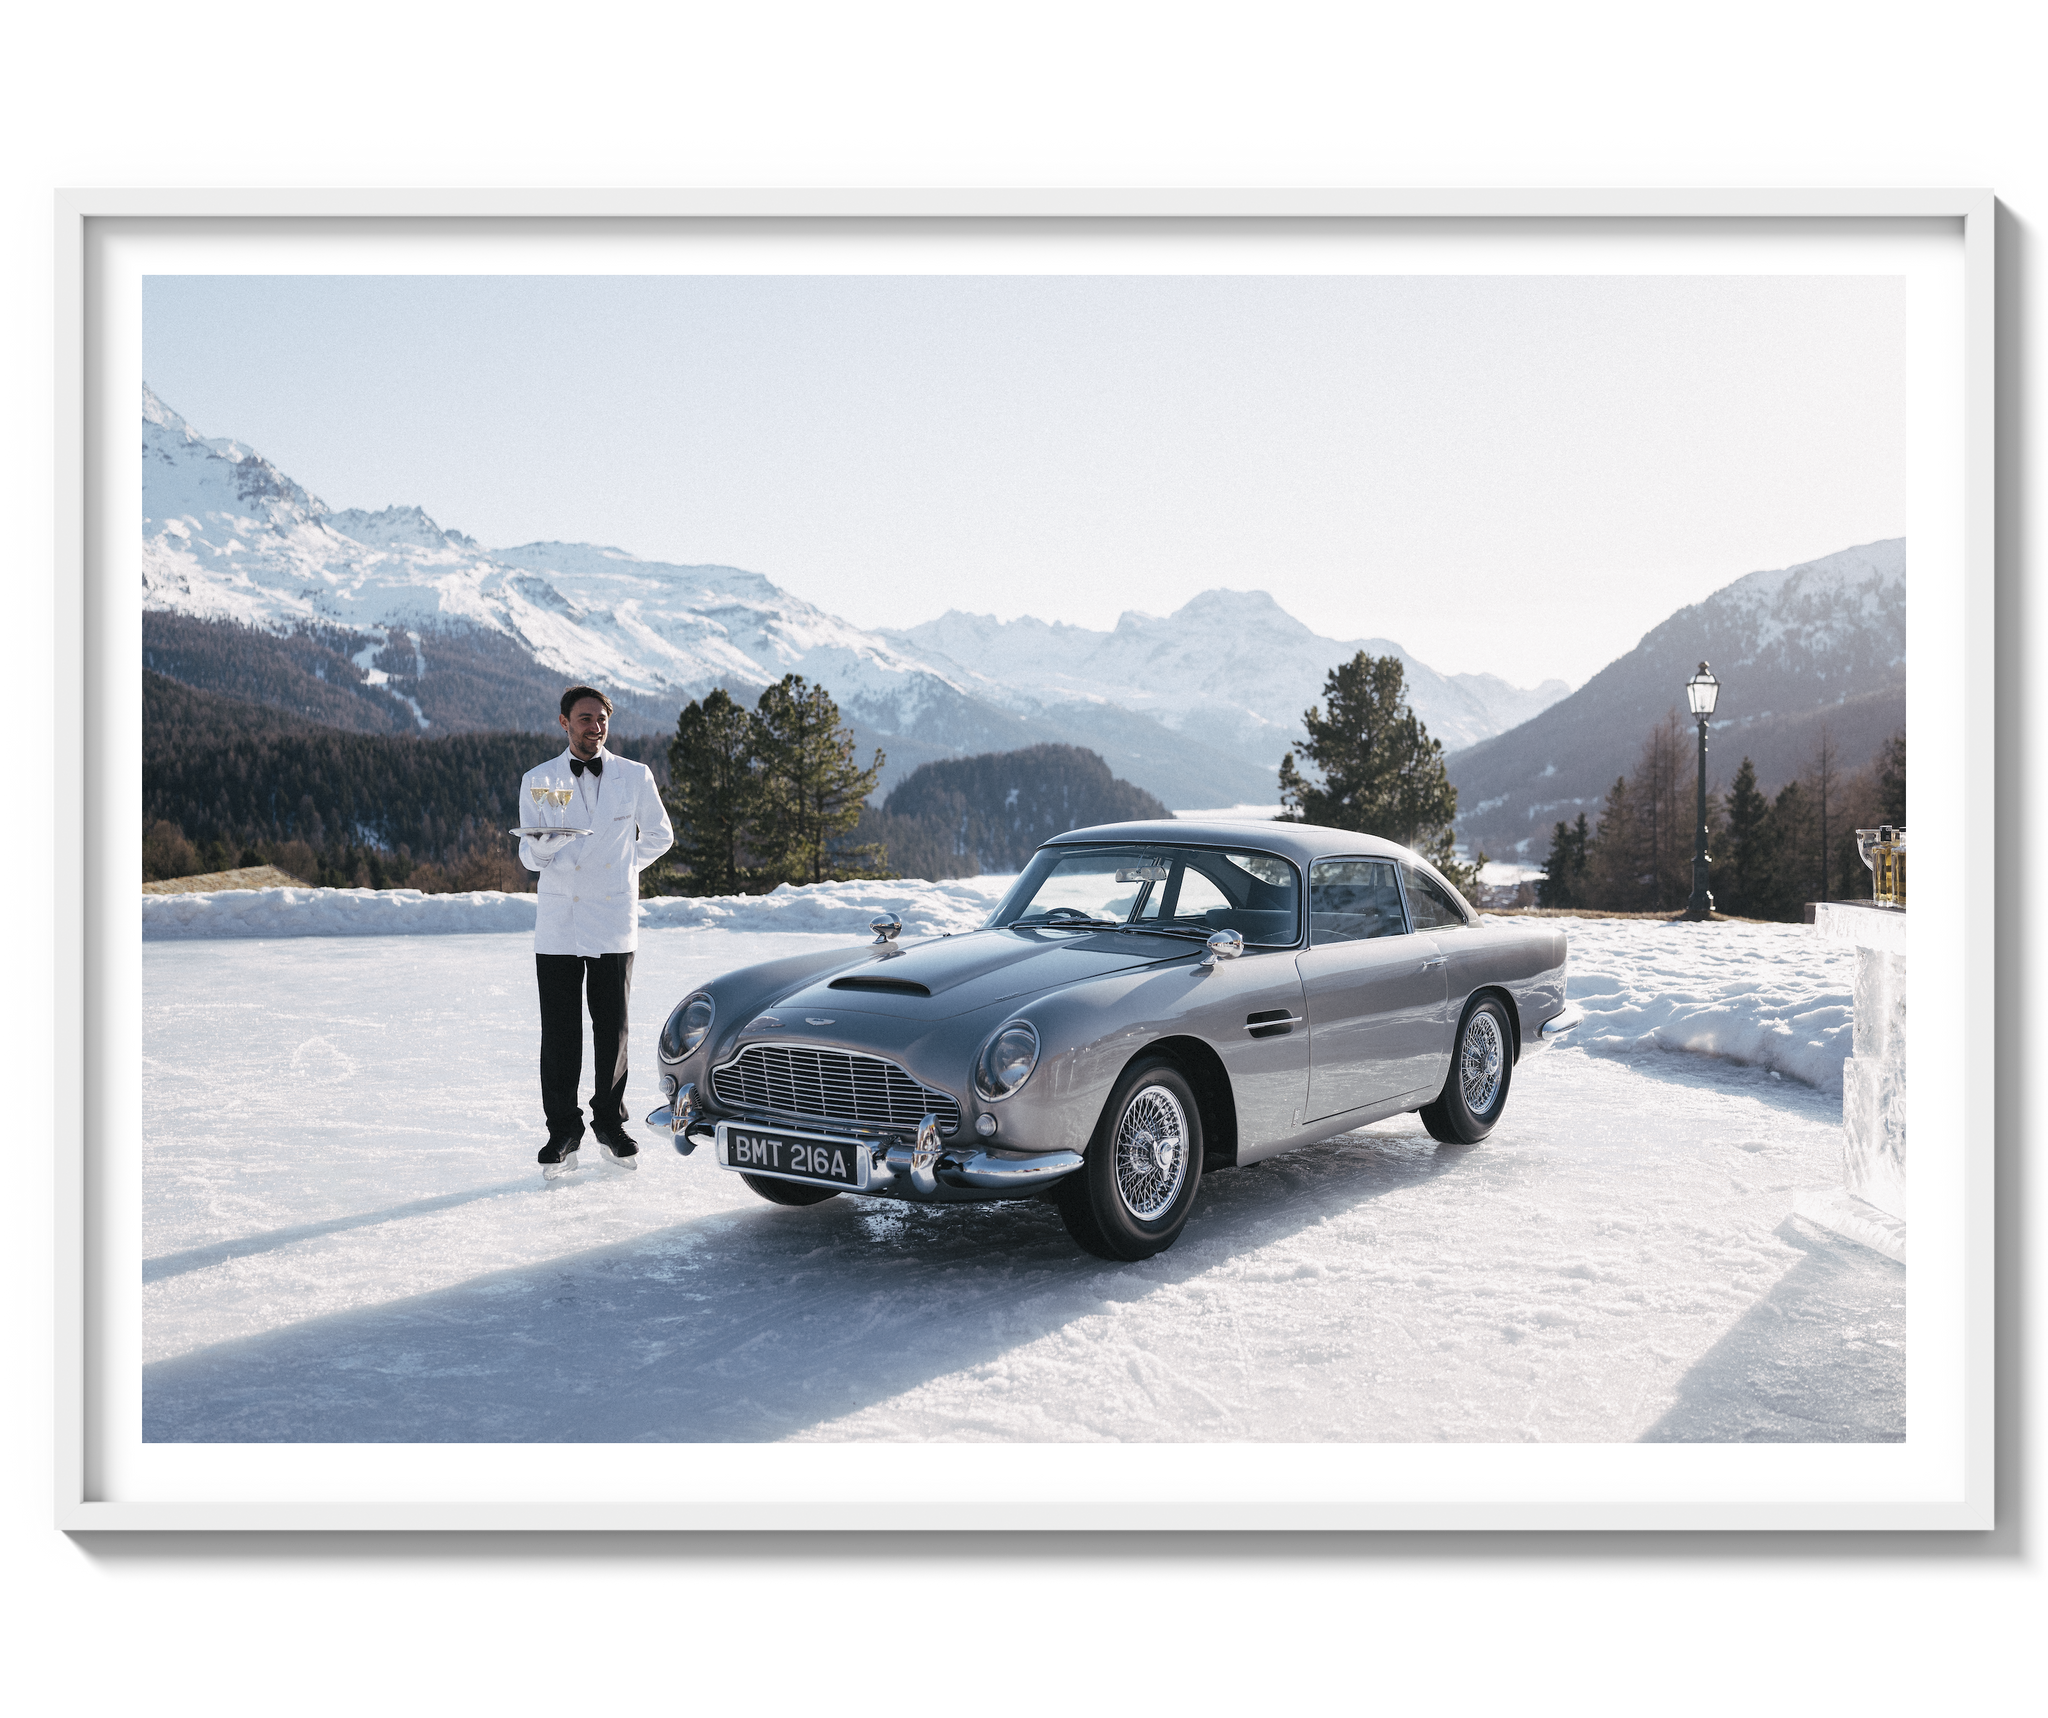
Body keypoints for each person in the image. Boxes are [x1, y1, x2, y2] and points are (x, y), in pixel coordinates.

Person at [518, 686, 674, 1181]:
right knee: (560, 1032)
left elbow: (660, 835)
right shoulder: (538, 779)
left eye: (601, 719)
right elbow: (527, 856)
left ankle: (609, 1120)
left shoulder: (635, 776)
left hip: (612, 916)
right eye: (585, 719)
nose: (595, 727)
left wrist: (624, 872)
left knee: (613, 1029)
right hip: (560, 920)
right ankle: (562, 1130)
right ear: (564, 723)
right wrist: (542, 848)